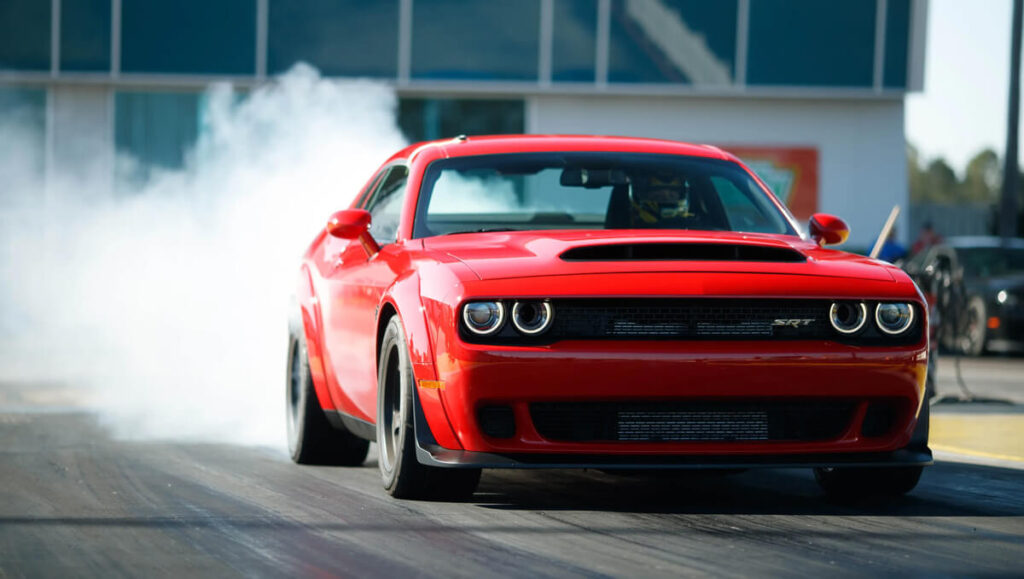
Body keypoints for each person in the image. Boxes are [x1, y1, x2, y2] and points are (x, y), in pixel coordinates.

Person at [629, 173, 694, 228]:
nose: (666, 198)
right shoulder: (632, 221)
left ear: (681, 194)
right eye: (659, 196)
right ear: (645, 194)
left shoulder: (691, 222)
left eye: (671, 195)